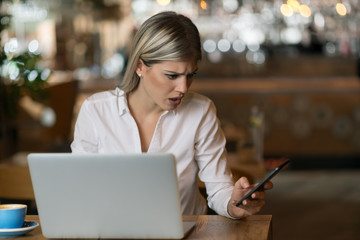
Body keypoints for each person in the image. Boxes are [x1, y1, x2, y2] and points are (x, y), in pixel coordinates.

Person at [71, 11, 272, 219]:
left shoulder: (201, 111)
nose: (183, 88)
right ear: (140, 66)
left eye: (190, 75)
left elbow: (219, 190)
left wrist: (234, 204)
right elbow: (78, 189)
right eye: (172, 76)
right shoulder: (96, 111)